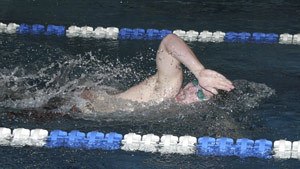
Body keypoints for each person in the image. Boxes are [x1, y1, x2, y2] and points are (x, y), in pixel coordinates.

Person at [80, 34, 234, 106]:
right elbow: (169, 42)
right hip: (78, 105)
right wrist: (199, 71)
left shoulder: (170, 112)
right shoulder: (168, 90)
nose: (190, 90)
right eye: (195, 83)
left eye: (200, 94)